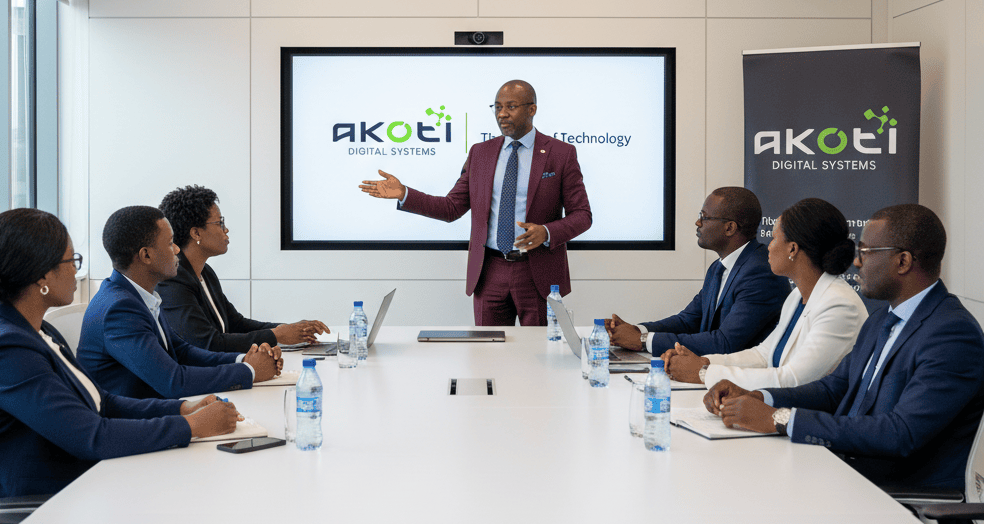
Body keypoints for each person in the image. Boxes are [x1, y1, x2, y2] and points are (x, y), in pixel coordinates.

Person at [707, 205, 984, 524]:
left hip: (901, 506)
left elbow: (900, 434)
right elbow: (834, 389)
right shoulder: (882, 319)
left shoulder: (951, 334)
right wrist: (761, 397)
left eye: (866, 252)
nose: (855, 262)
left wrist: (781, 419)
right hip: (847, 475)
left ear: (903, 261)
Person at [0, 209, 240, 524]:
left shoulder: (34, 329)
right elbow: (92, 437)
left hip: (88, 488)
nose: (76, 271)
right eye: (71, 261)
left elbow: (100, 401)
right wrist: (192, 426)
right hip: (47, 518)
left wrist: (183, 408)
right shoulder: (7, 349)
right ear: (42, 275)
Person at [359, 79, 592, 326]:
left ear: (532, 109)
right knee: (488, 347)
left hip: (537, 271)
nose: (502, 114)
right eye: (497, 107)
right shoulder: (481, 153)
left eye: (511, 106)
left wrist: (546, 232)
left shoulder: (560, 153)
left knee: (539, 347)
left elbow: (582, 214)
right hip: (489, 271)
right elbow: (451, 208)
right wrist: (405, 194)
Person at [662, 197, 867, 389]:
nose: (768, 247)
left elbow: (793, 379)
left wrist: (703, 373)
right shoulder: (797, 296)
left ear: (792, 249)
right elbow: (763, 355)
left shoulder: (839, 305)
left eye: (774, 238)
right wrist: (703, 361)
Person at [78, 206, 281, 399]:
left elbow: (182, 352)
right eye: (170, 243)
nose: (176, 249)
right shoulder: (120, 309)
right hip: (133, 418)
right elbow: (173, 381)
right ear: (146, 255)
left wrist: (243, 360)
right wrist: (249, 371)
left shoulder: (138, 296)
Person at [605, 187, 790, 356]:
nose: (698, 222)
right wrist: (637, 331)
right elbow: (688, 320)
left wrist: (642, 341)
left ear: (729, 228)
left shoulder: (761, 273)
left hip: (745, 377)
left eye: (704, 216)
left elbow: (725, 343)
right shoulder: (718, 268)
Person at [156, 185, 328, 352]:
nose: (226, 229)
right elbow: (207, 343)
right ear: (196, 233)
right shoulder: (172, 281)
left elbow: (235, 324)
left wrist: (290, 329)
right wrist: (276, 335)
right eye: (219, 223)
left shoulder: (205, 273)